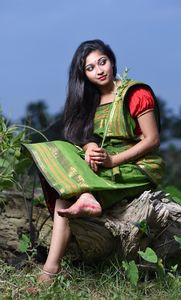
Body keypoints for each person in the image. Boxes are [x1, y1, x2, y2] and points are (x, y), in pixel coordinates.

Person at [23, 39, 165, 282]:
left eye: (103, 62)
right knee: (58, 148)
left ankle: (48, 273)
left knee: (65, 198)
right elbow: (86, 137)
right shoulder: (89, 102)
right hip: (103, 164)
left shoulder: (135, 93)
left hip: (137, 166)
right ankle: (84, 199)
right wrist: (89, 148)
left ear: (112, 61)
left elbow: (152, 140)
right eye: (90, 68)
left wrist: (112, 160)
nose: (99, 70)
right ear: (83, 75)